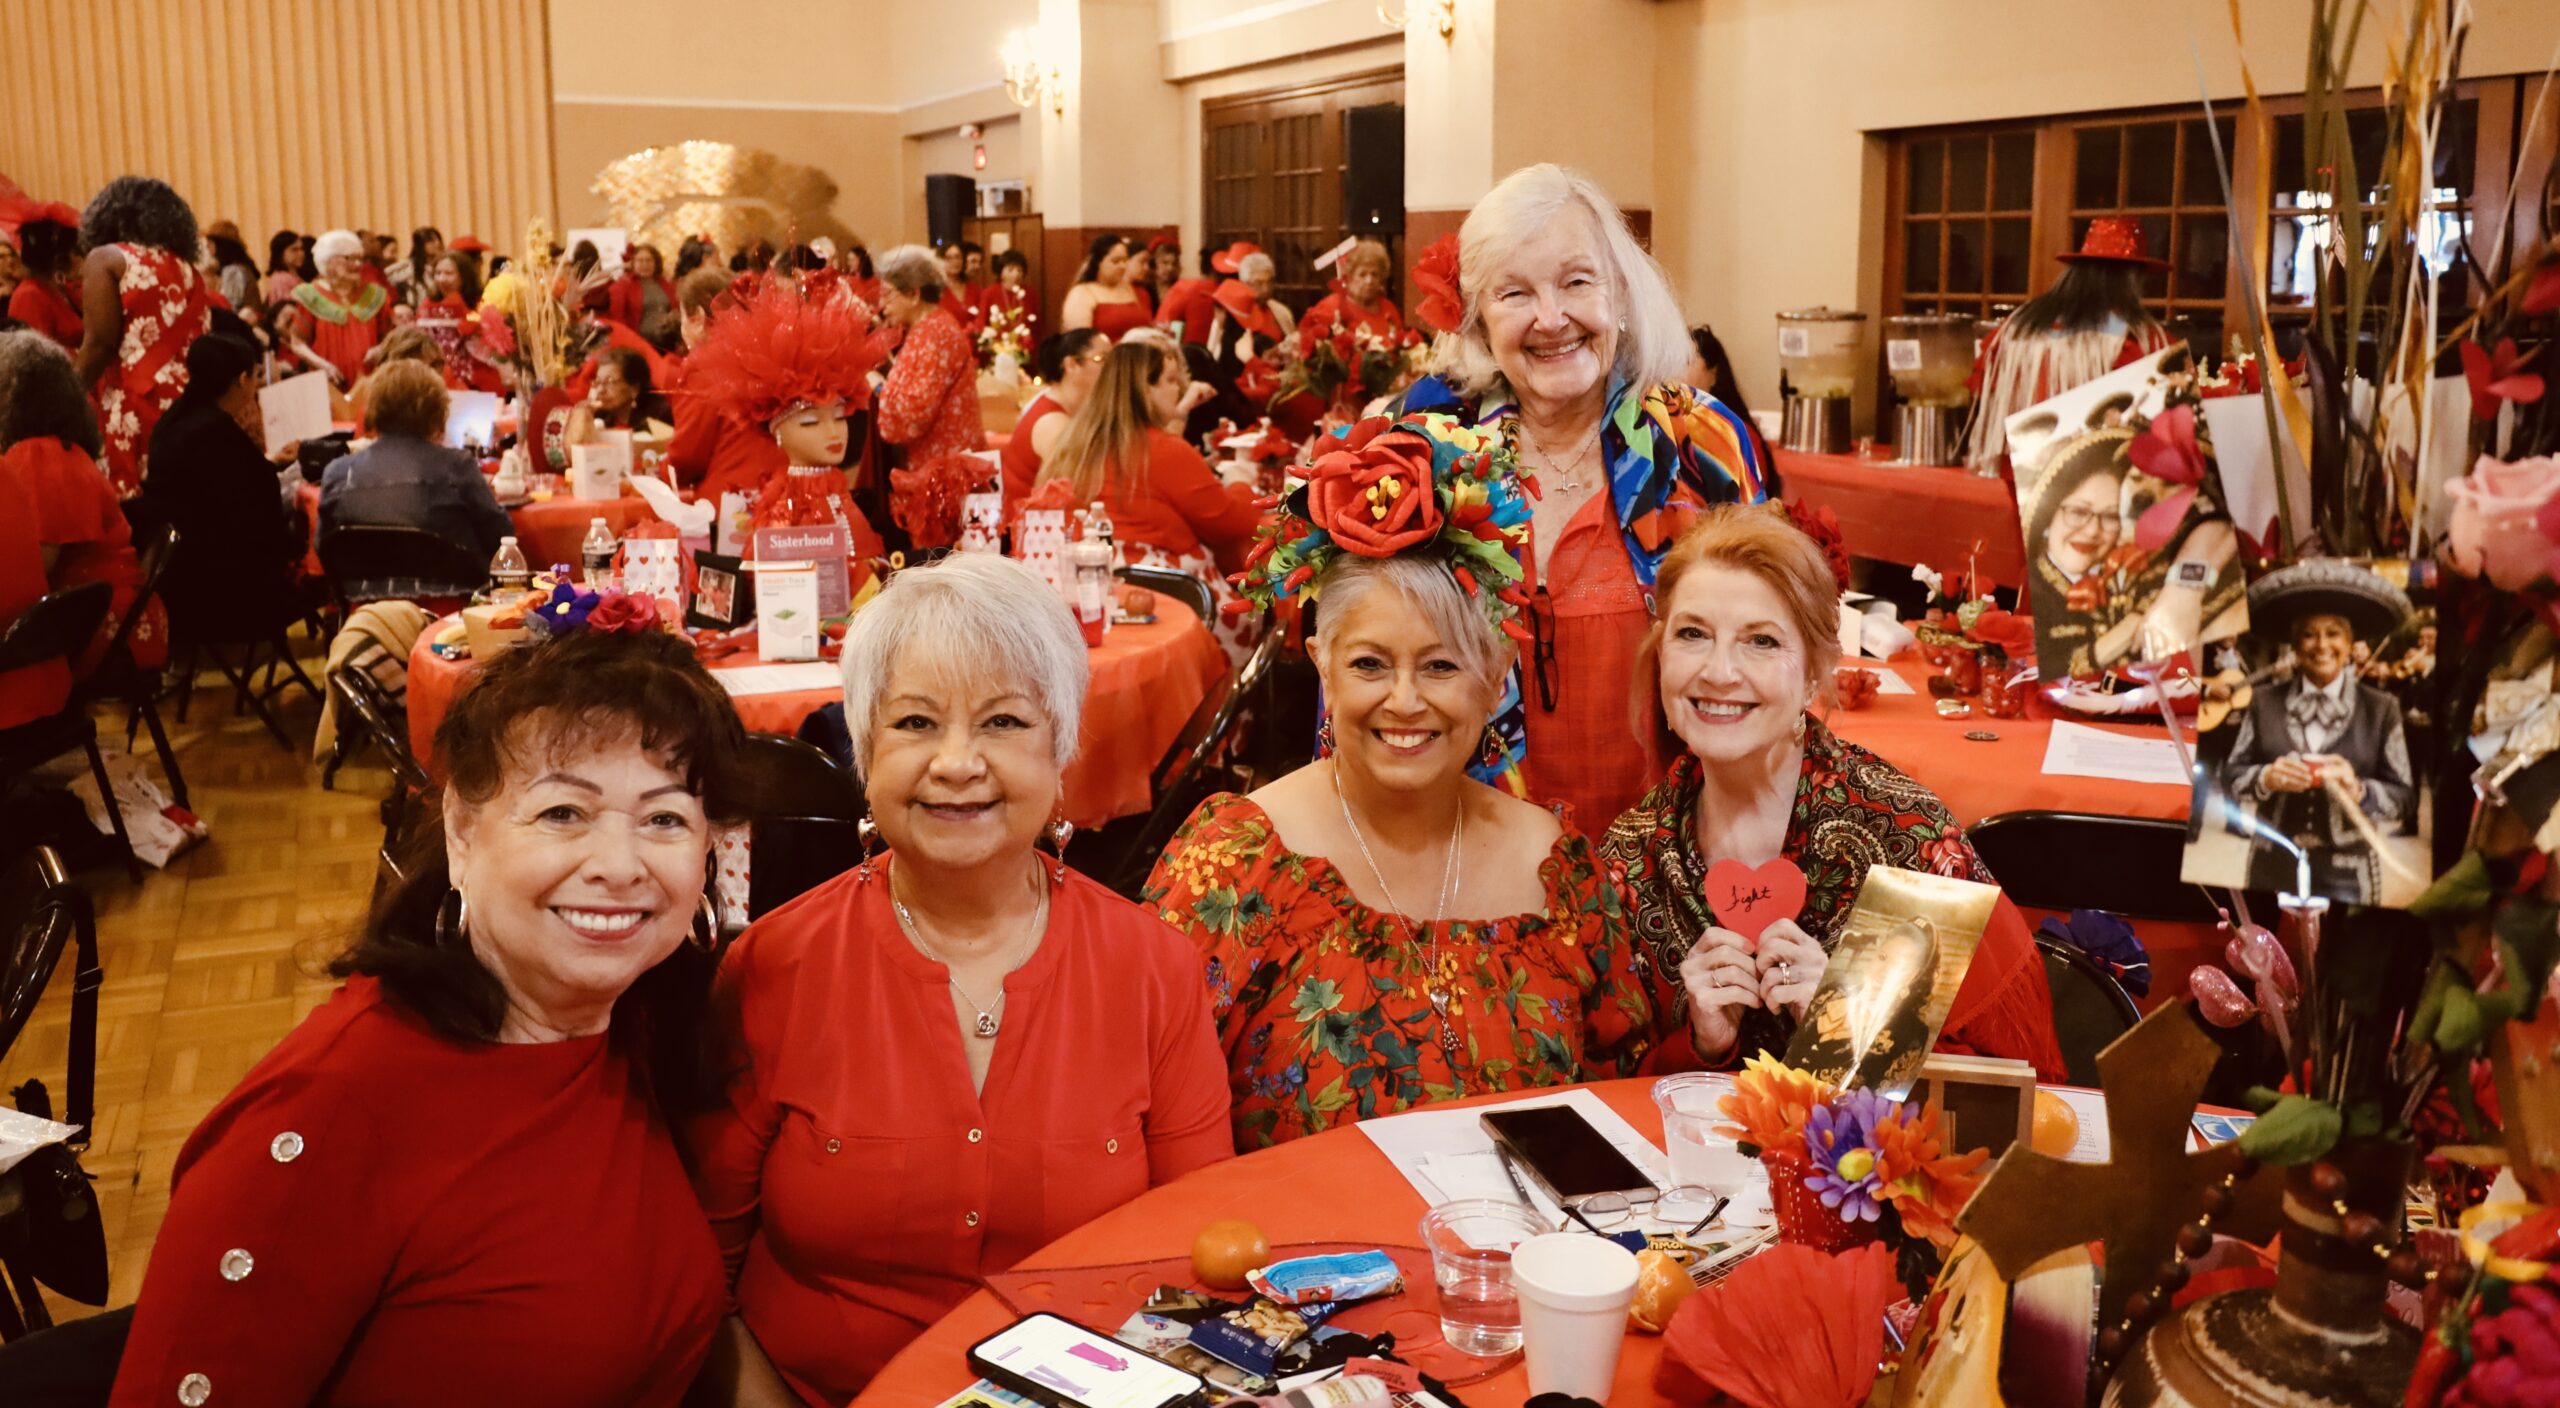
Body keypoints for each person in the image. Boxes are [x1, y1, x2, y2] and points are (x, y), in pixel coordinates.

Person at [110, 627, 741, 1407]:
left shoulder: (635, 1026)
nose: (618, 865)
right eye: (562, 812)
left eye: (664, 819)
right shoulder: (330, 1114)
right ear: (462, 833)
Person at [684, 553, 1232, 1401]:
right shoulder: (773, 966)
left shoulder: (1153, 967)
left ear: (1061, 751)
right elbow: (704, 1277)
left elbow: (1193, 1250)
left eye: (1003, 722)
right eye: (915, 722)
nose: (956, 762)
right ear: (866, 753)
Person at [1146, 416, 1650, 1148]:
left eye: (1441, 666)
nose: (1405, 701)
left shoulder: (1558, 873)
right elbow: (1148, 1113)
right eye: (1370, 665)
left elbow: (1619, 1100)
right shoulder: (1235, 866)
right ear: (1322, 667)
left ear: (1495, 679)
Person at [1597, 506, 2064, 1077]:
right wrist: (1701, 1045)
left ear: (1815, 675)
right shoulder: (1632, 855)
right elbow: (1599, 1090)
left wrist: (1850, 1028)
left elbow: (2011, 1093)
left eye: (1761, 641)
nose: (1718, 672)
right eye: (1693, 634)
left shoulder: (1906, 840)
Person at [1397, 163, 1771, 829]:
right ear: (1478, 320)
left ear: (1620, 293)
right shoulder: (1431, 453)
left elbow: (1771, 644)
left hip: (1672, 848)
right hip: (1468, 846)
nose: (1551, 318)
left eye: (1576, 282)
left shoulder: (1699, 442)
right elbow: (1366, 660)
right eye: (1514, 293)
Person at [2214, 560, 2415, 903]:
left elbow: (2404, 799)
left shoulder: (2382, 708)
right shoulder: (2263, 701)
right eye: (2308, 634)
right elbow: (2230, 776)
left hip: (2349, 873)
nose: (2321, 645)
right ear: (2295, 646)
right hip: (2271, 865)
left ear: (2350, 644)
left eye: (2333, 633)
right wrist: (2266, 778)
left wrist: (2358, 789)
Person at [0, 331, 160, 676]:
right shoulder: (63, 449)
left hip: (100, 629)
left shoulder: (38, 457)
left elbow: (35, 568)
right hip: (116, 617)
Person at [1964, 217, 2177, 471]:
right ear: (2133, 279)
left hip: (2022, 471)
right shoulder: (2142, 339)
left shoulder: (2017, 327)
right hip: (2093, 477)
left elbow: (1982, 389)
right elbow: (2165, 420)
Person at [1035, 338, 1259, 572]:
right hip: (1166, 582)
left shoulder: (1074, 442)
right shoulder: (1163, 449)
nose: (1178, 389)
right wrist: (1239, 479)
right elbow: (1231, 524)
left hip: (1089, 578)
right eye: (1170, 380)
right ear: (1146, 390)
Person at [141, 332, 308, 645]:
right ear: (242, 380)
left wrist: (270, 465)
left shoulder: (173, 421)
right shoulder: (216, 432)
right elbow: (259, 515)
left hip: (176, 581)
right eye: (256, 376)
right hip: (224, 594)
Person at [319, 361, 513, 597]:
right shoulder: (455, 467)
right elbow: (503, 540)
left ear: (374, 409)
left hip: (365, 610)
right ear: (437, 412)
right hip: (453, 611)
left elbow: (325, 553)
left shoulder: (337, 474)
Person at [74, 176, 215, 496]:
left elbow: (99, 343)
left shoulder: (107, 259)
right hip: (192, 399)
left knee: (137, 503)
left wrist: (65, 393)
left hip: (137, 398)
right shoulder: (188, 269)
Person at [873, 244, 987, 550]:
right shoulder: (930, 328)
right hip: (942, 472)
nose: (882, 305)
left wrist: (877, 388)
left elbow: (909, 418)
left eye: (888, 294)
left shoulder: (933, 335)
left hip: (943, 479)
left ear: (914, 294)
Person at [665, 266, 788, 502]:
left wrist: (659, 473)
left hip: (733, 497)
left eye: (682, 318)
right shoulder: (766, 349)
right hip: (783, 487)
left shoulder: (702, 366)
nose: (681, 328)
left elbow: (687, 457)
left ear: (698, 317)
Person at [1000, 328, 1107, 509]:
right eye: (1101, 359)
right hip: (1028, 520)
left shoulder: (1071, 409)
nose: (1111, 368)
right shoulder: (1051, 422)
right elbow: (1079, 488)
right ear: (1071, 365)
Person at [282, 227, 393, 388]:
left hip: (370, 385)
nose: (357, 264)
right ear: (328, 260)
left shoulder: (375, 295)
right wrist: (324, 366)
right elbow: (298, 343)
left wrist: (381, 349)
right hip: (327, 385)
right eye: (349, 258)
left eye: (360, 259)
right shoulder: (310, 296)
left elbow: (390, 338)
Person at [3, 203, 84, 350]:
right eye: (74, 251)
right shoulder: (29, 296)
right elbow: (36, 355)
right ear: (59, 258)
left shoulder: (60, 286)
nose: (78, 257)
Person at [566, 344, 674, 449]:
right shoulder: (599, 417)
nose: (601, 390)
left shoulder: (659, 417)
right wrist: (582, 415)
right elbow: (575, 449)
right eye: (598, 382)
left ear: (634, 389)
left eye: (610, 382)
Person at [1058, 234, 1153, 342]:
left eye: (1125, 260)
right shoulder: (1082, 293)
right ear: (1098, 262)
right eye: (1116, 261)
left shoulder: (1133, 290)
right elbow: (1079, 342)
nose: (1122, 266)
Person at [1303, 238, 1403, 337]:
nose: (1369, 281)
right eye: (1362, 274)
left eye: (1375, 274)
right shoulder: (1331, 306)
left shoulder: (1389, 309)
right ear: (1349, 277)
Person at [608, 243, 681, 350]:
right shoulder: (623, 286)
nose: (645, 265)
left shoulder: (667, 285)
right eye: (640, 261)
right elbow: (618, 318)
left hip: (667, 342)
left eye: (649, 260)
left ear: (656, 263)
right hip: (639, 344)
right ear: (633, 263)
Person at [206, 223, 262, 312]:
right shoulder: (240, 268)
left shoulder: (233, 271)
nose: (208, 248)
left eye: (210, 243)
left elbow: (229, 308)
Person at [388, 225, 443, 301]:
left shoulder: (445, 264)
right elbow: (387, 278)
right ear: (420, 245)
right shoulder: (408, 267)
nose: (438, 243)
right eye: (431, 241)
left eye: (438, 239)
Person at [264, 229, 312, 304]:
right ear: (281, 254)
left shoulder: (295, 275)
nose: (301, 253)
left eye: (301, 249)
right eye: (294, 250)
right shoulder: (281, 279)